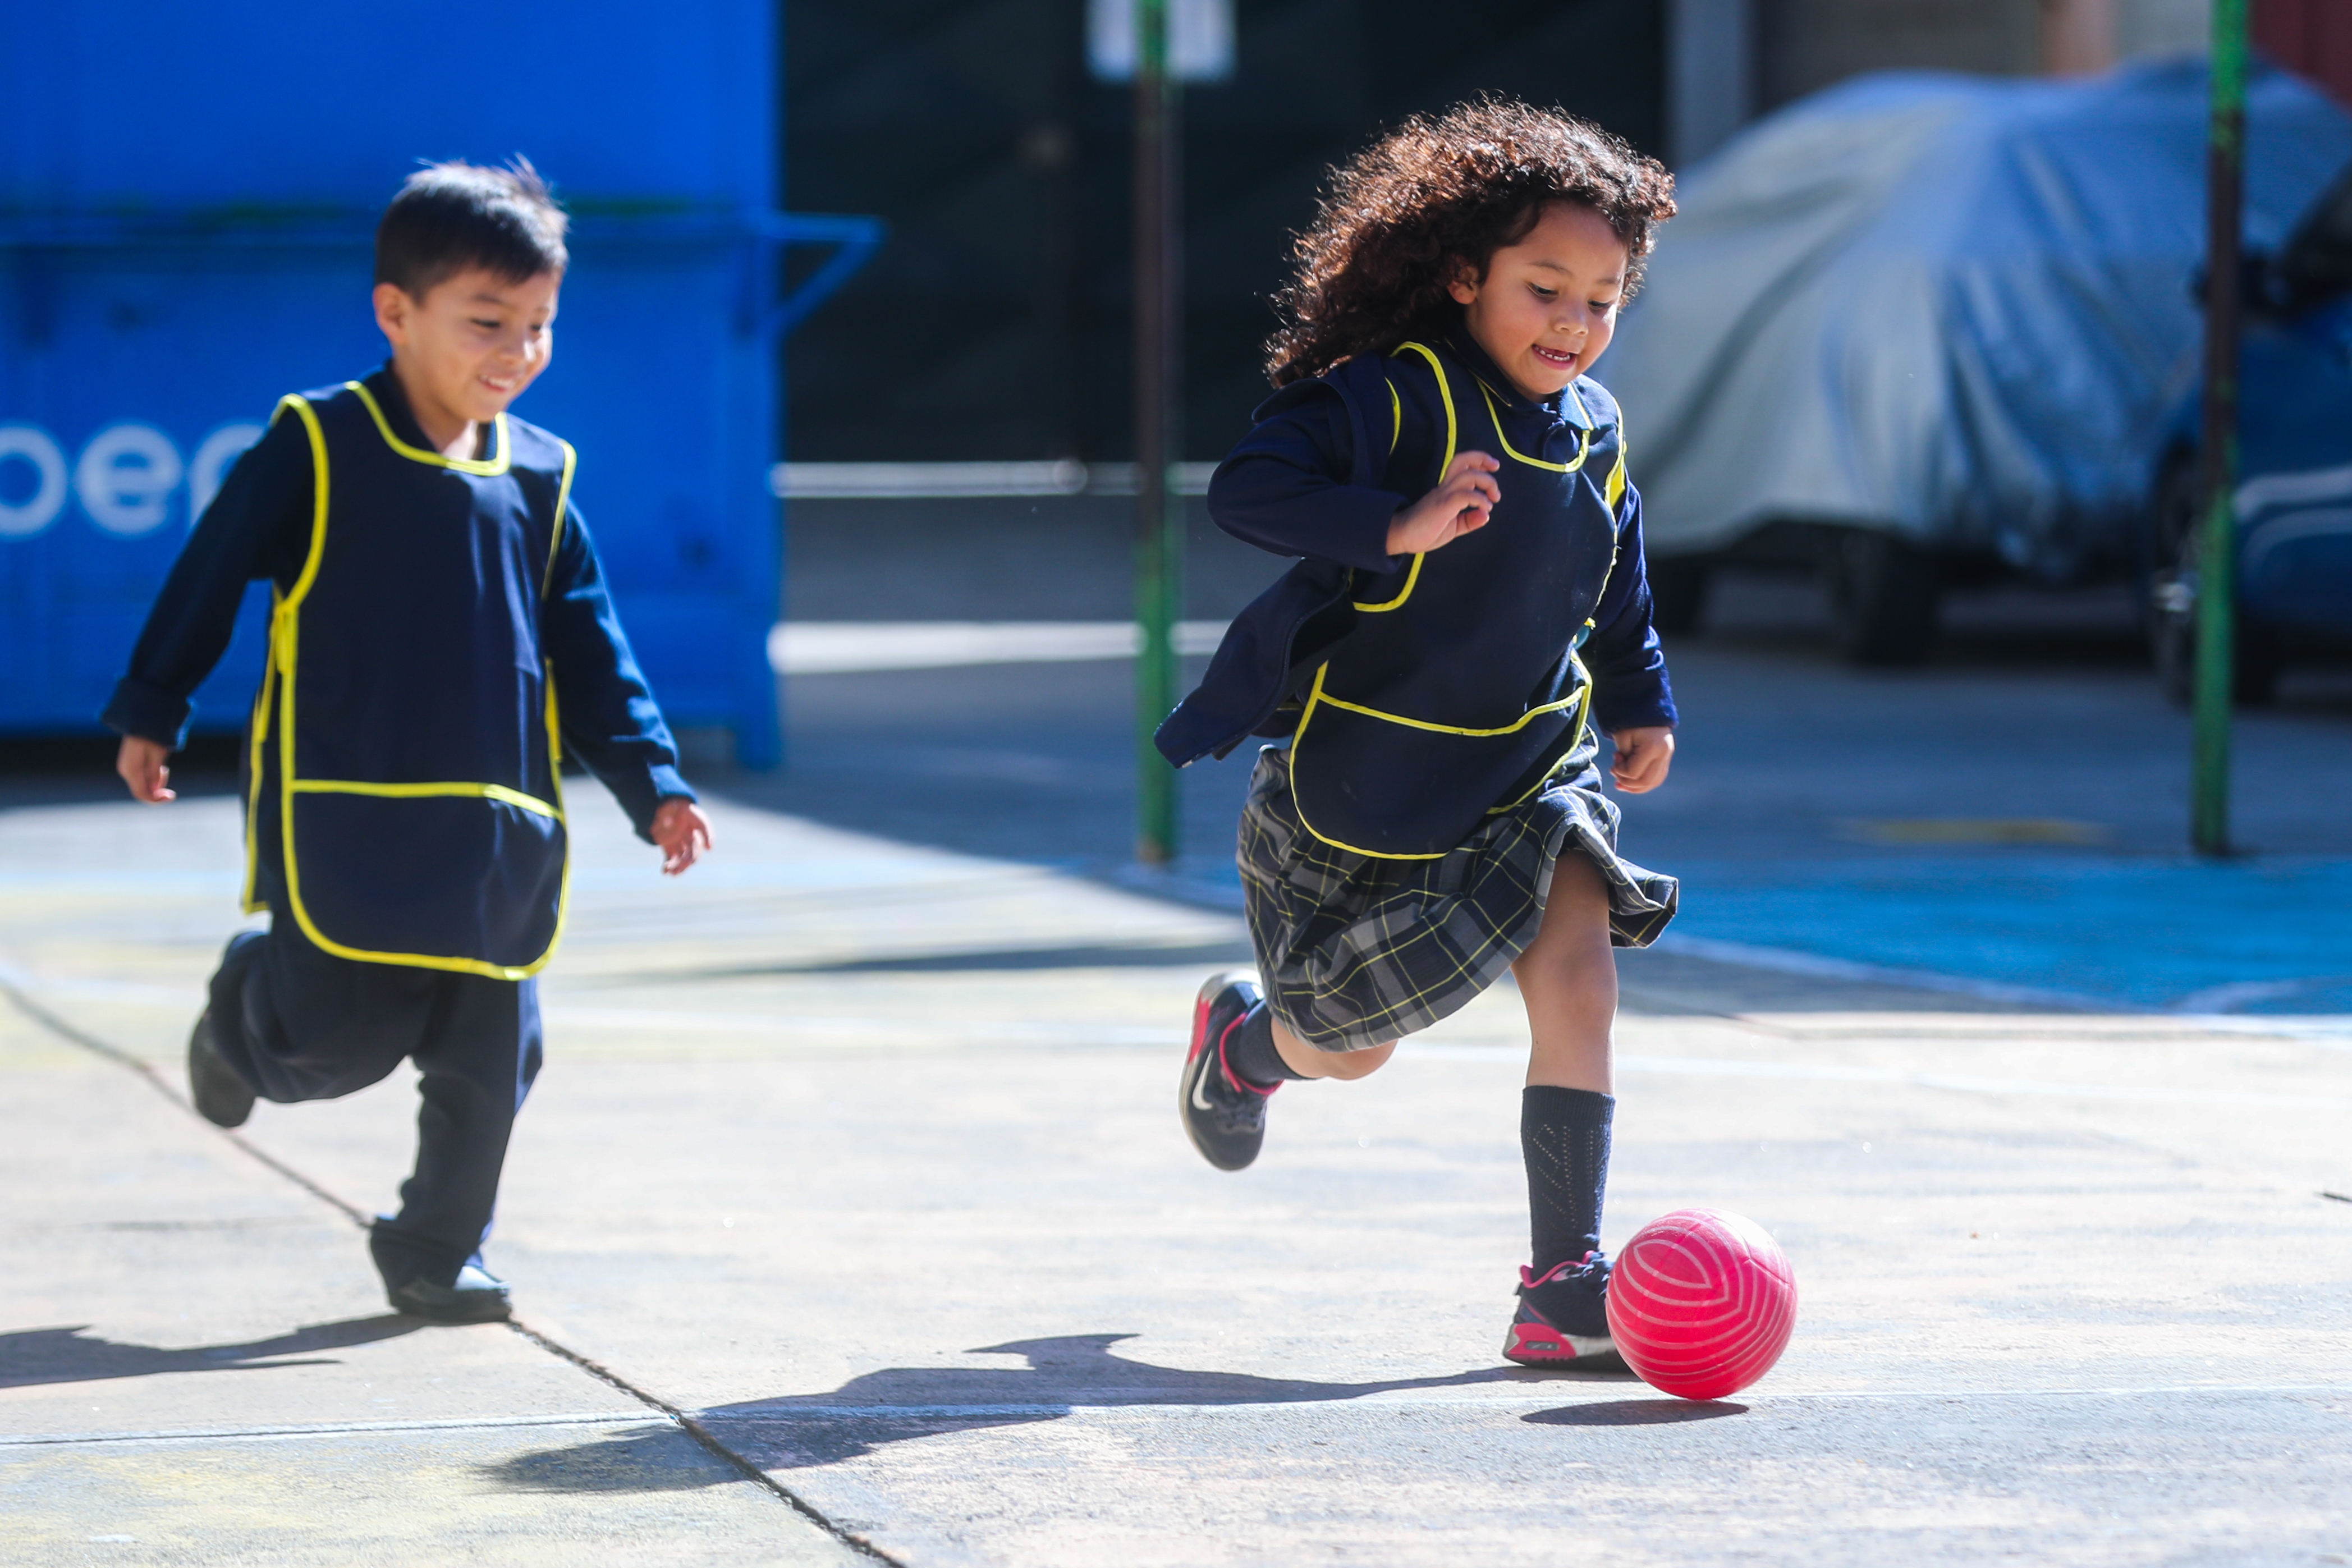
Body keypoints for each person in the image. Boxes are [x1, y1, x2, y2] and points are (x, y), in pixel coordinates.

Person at [102, 160, 714, 1325]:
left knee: (497, 1049)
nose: (517, 350)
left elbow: (593, 652)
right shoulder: (319, 442)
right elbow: (210, 569)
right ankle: (242, 1018)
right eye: (487, 322)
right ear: (396, 312)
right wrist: (152, 703)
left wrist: (655, 786)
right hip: (347, 814)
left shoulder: (541, 475)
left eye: (538, 325)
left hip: (494, 831)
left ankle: (436, 1245)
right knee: (328, 1042)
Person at [1159, 102, 1681, 1367]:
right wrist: (1393, 522)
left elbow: (1614, 574)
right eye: (1543, 287)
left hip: (1528, 766)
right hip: (1357, 797)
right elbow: (1247, 489)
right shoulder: (1391, 400)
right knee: (1349, 1047)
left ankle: (1560, 1284)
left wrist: (1637, 696)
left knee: (1577, 973)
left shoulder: (1596, 427)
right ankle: (1247, 1042)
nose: (1572, 322)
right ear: (1463, 276)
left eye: (1602, 299)